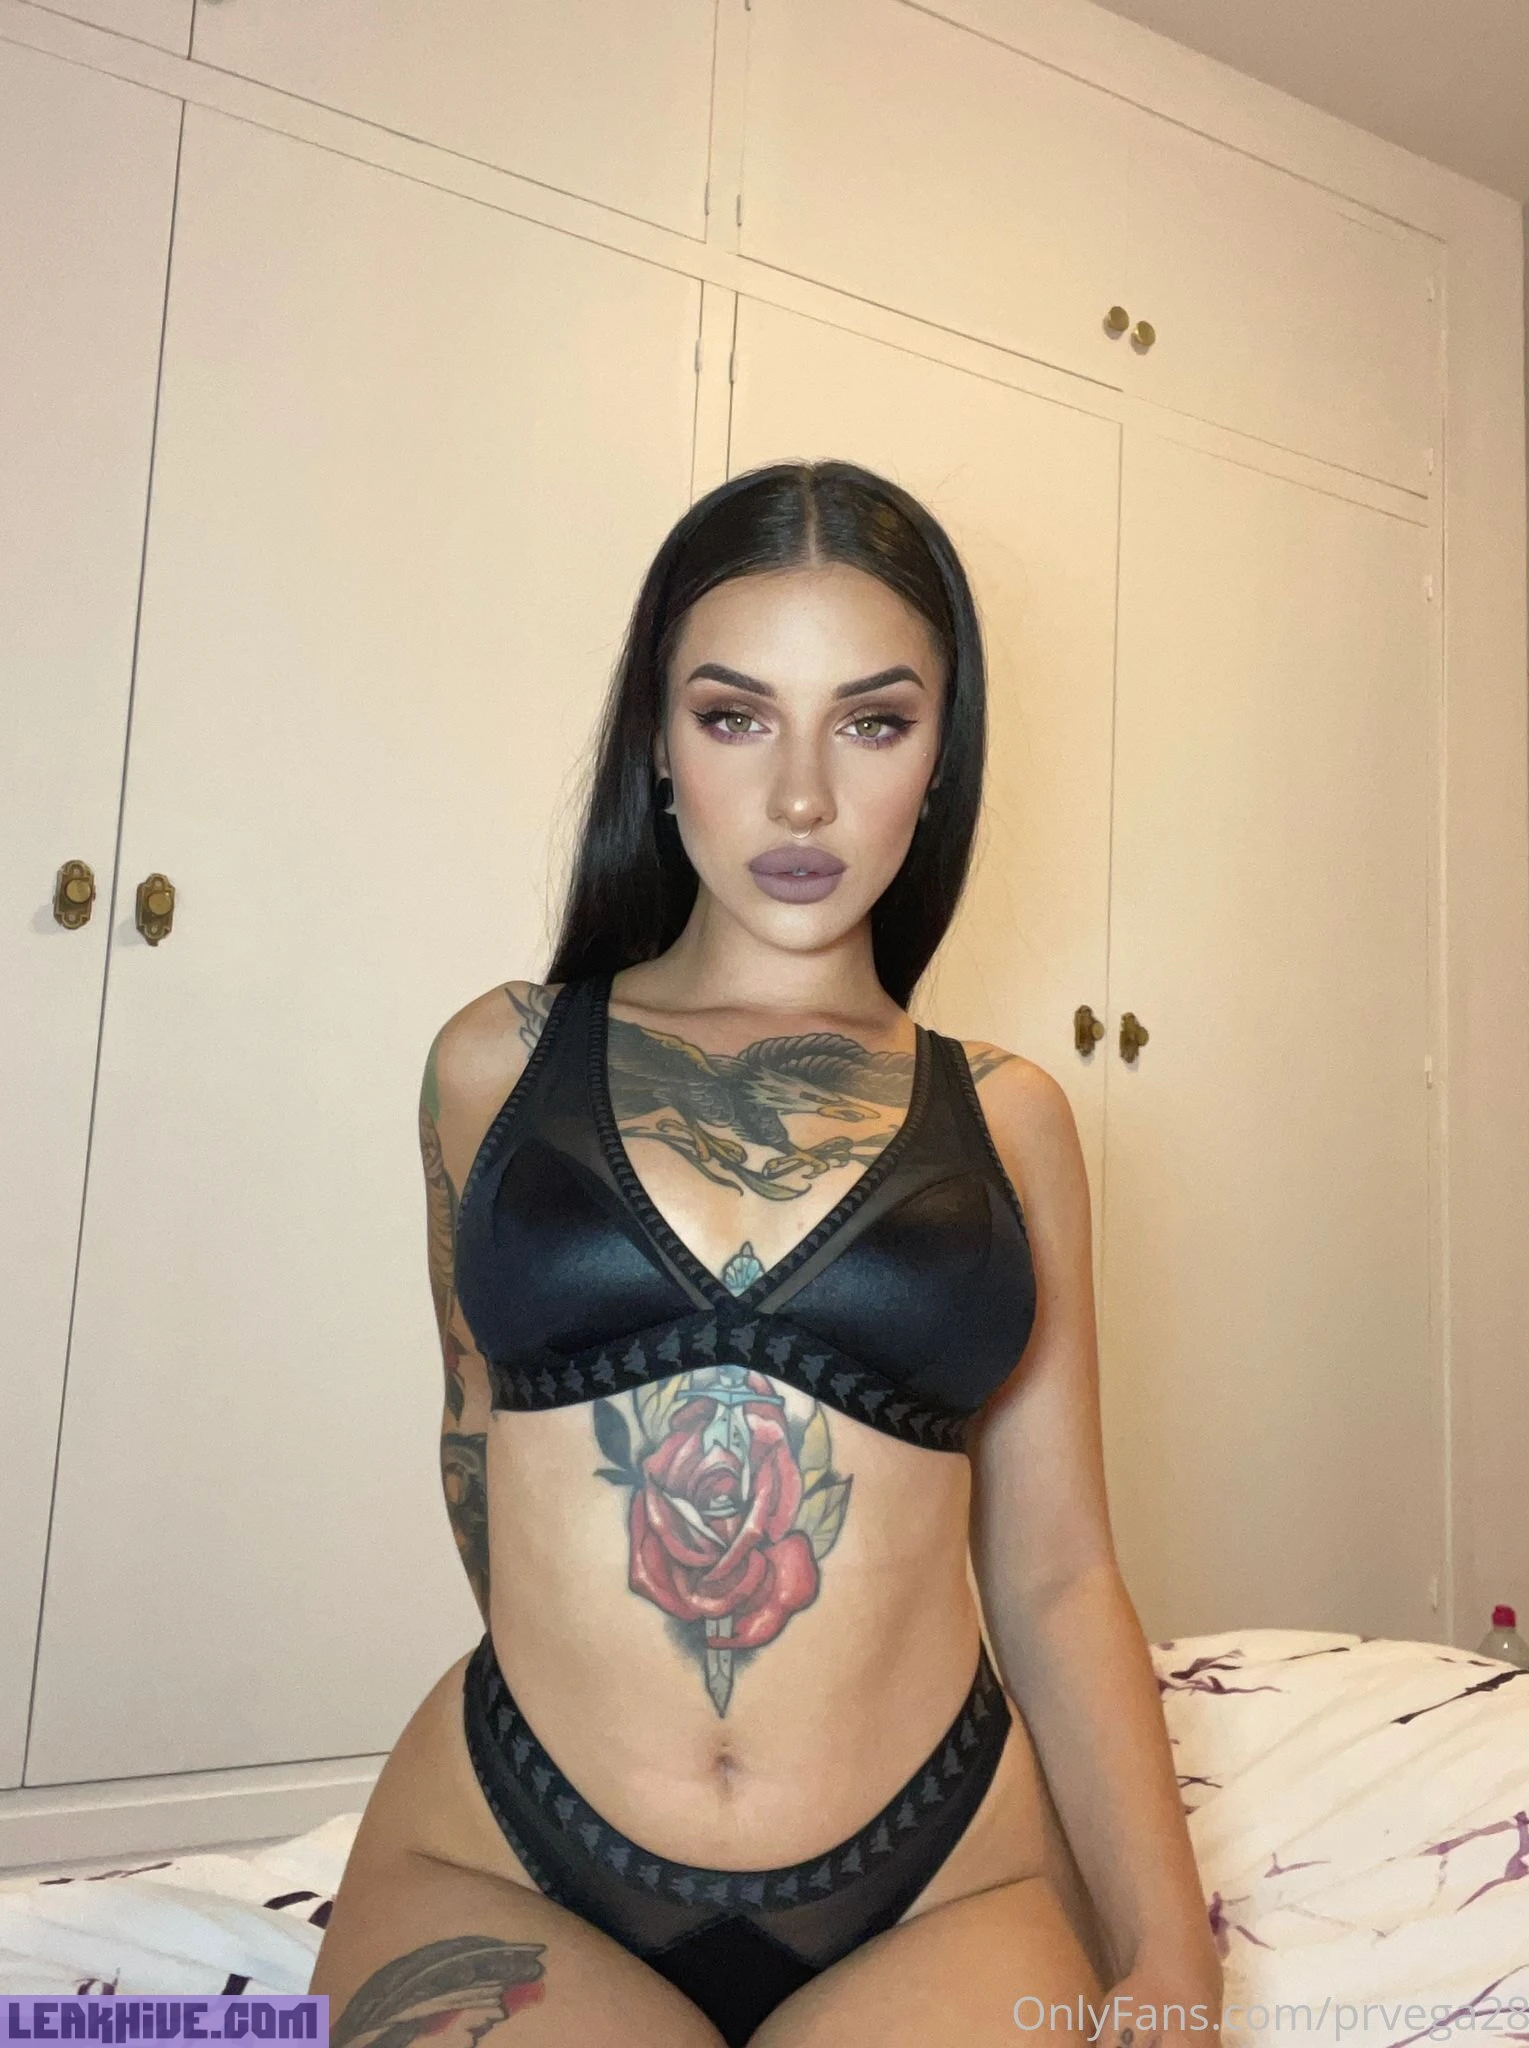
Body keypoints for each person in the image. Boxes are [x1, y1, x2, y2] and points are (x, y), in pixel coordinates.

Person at [309, 461, 1223, 2048]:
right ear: (657, 749)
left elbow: (1060, 1571)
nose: (802, 798)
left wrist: (1171, 1960)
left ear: (941, 758)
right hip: (514, 1854)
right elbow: (474, 1439)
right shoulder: (495, 1065)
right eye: (735, 716)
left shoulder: (1011, 1120)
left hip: (937, 1878)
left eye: (873, 723)